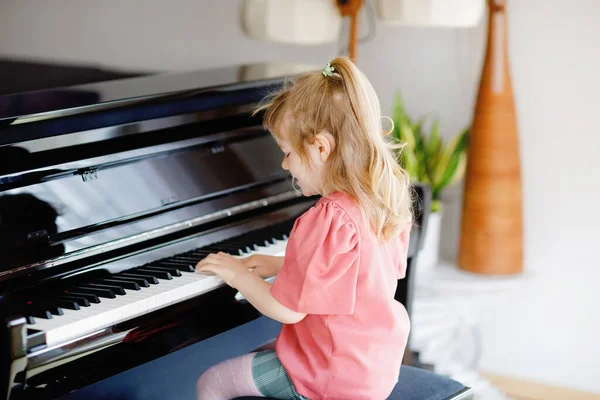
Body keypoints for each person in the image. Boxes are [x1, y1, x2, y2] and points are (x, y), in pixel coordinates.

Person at [195, 57, 413, 400]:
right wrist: (279, 265)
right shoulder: (382, 199)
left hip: (326, 373)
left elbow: (286, 311)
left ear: (320, 147)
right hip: (370, 369)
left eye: (286, 153)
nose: (284, 165)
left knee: (212, 382)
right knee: (264, 353)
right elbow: (356, 274)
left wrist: (238, 275)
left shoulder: (329, 217)